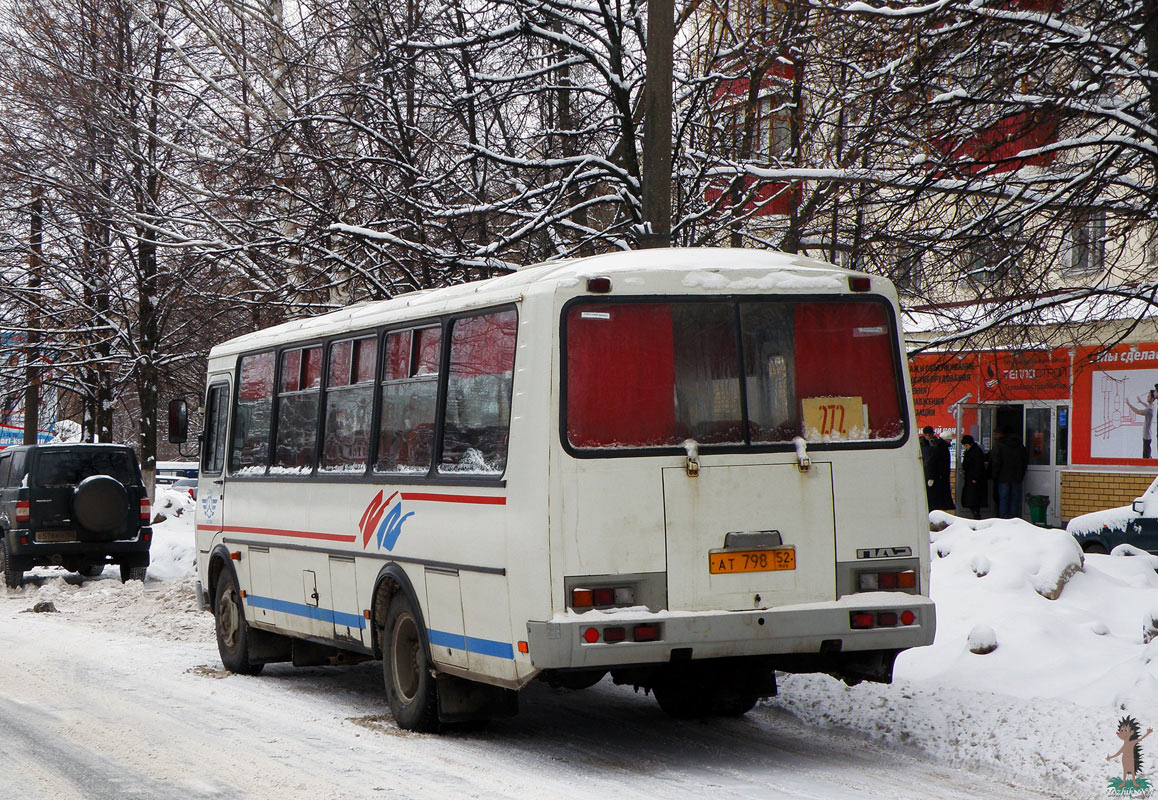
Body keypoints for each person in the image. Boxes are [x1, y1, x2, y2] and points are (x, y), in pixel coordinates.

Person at [989, 425, 1028, 519]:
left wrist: (994, 475)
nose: (994, 436)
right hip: (1016, 476)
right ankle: (1013, 518)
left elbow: (996, 461)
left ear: (1001, 434)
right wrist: (1021, 474)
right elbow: (1024, 460)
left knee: (1003, 498)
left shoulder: (998, 445)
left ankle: (1004, 519)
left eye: (996, 434)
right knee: (1014, 498)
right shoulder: (1019, 444)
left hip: (1003, 477)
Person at [920, 426, 954, 511]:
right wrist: (930, 476)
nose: (931, 436)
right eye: (929, 434)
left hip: (936, 475)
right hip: (933, 475)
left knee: (936, 499)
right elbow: (931, 462)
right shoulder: (936, 446)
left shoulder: (936, 444)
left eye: (932, 434)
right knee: (934, 499)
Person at [958, 434, 987, 519]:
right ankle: (975, 515)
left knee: (973, 500)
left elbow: (978, 466)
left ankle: (976, 516)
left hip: (974, 480)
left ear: (970, 444)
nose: (965, 447)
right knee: (971, 500)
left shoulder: (976, 452)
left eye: (966, 445)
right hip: (970, 479)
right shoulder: (970, 452)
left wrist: (975, 478)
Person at [1124, 387, 1157, 459]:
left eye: (1148, 396)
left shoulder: (1149, 410)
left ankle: (1148, 463)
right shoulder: (1151, 406)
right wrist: (1141, 401)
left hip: (1147, 435)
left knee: (1146, 455)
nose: (1147, 397)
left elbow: (1138, 411)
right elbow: (1147, 406)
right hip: (1148, 435)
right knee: (1147, 450)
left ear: (1152, 398)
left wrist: (1129, 404)